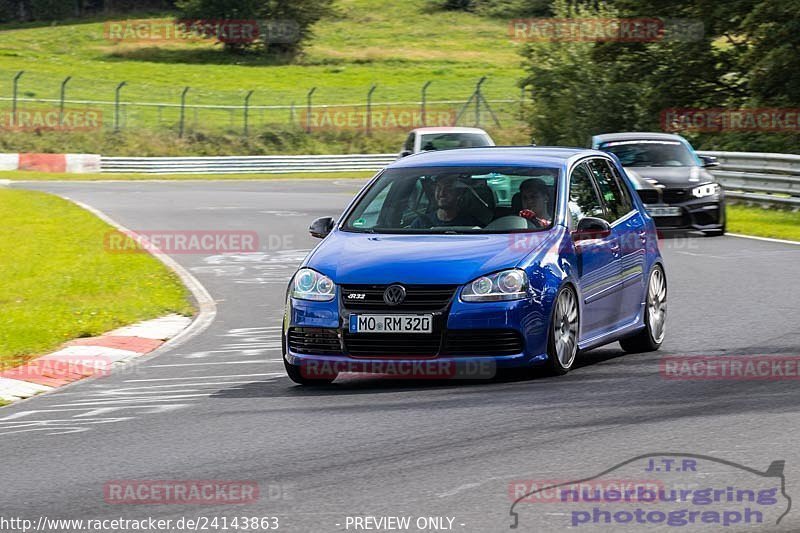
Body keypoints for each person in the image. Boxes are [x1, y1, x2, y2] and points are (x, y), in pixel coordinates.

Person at [412, 175, 482, 228]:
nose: (442, 193)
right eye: (439, 188)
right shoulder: (420, 224)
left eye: (448, 189)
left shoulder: (472, 225)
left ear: (459, 193)